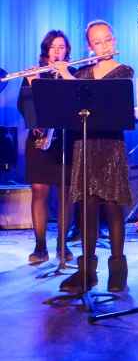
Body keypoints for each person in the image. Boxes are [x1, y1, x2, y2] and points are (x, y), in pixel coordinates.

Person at [53, 20, 133, 293]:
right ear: (90, 46)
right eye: (97, 42)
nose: (104, 46)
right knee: (86, 209)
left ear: (115, 40)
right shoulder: (83, 73)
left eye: (108, 39)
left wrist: (68, 76)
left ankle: (118, 271)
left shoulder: (124, 71)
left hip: (110, 147)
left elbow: (102, 101)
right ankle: (86, 271)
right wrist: (62, 75)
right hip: (84, 146)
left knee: (112, 207)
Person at [17, 30, 74, 264]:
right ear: (46, 51)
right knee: (39, 192)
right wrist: (33, 84)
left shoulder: (73, 74)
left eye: (61, 47)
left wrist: (66, 75)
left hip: (65, 140)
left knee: (66, 194)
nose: (57, 51)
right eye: (53, 47)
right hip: (39, 140)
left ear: (67, 51)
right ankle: (40, 247)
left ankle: (62, 244)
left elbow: (76, 104)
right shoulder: (35, 74)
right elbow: (25, 108)